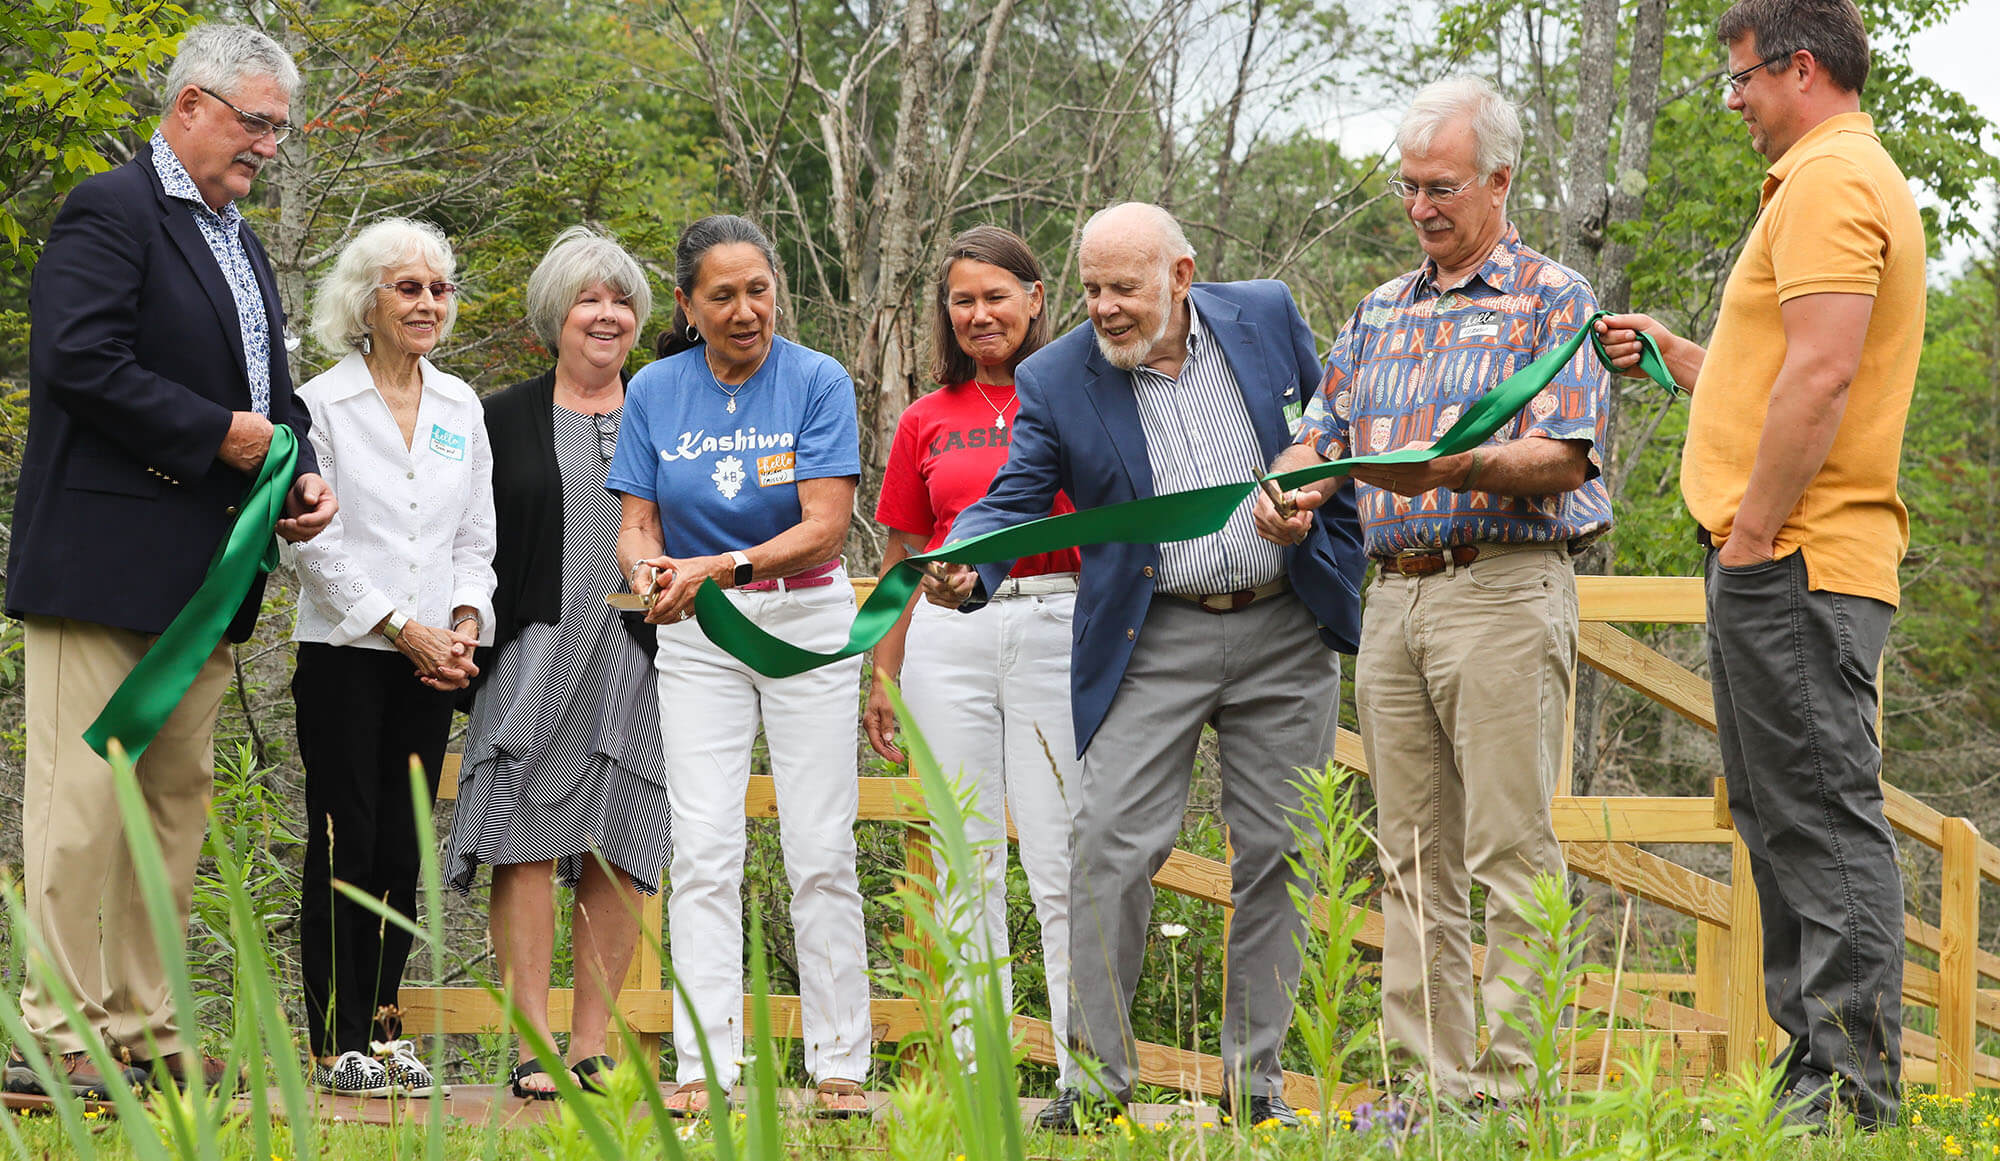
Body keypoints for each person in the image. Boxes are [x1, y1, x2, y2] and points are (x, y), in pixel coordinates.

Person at [932, 202, 1366, 1132]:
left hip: (1283, 625)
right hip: (1151, 633)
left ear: (1180, 273)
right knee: (1107, 850)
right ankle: (1094, 1089)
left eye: (1123, 287)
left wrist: (1315, 502)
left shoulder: (1266, 314)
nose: (1104, 308)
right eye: (1090, 289)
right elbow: (1014, 493)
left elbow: (1333, 425)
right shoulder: (1058, 375)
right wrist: (969, 556)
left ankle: (1255, 1085)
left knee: (1280, 852)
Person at [1594, 0, 1919, 1129]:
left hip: (1792, 558)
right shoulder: (1821, 181)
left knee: (1820, 821)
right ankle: (1813, 1080)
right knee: (1781, 817)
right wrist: (1691, 361)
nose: (1730, 101)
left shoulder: (1830, 180)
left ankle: (1847, 1099)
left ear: (1797, 68)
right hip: (1784, 554)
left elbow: (1821, 380)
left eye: (1738, 80)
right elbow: (1785, 366)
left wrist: (1747, 536)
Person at [1255, 77, 1611, 1107]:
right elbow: (1320, 436)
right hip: (1394, 597)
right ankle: (1425, 1084)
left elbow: (1567, 454)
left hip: (1500, 587)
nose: (1420, 207)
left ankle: (1510, 1087)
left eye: (1441, 186)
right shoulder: (1376, 312)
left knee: (1506, 842)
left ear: (1498, 181)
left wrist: (1457, 468)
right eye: (1407, 187)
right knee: (1409, 854)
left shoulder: (1553, 296)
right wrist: (1287, 491)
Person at [3, 22, 337, 1100]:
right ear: (190, 102)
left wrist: (299, 471)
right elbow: (79, 360)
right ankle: (58, 1039)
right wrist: (218, 438)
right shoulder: (113, 210)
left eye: (278, 130)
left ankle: (145, 1032)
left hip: (206, 583)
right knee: (81, 808)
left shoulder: (238, 241)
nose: (268, 148)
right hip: (102, 570)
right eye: (255, 123)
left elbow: (272, 399)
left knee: (168, 810)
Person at [608, 214, 872, 1118]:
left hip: (802, 620)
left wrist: (722, 566)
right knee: (706, 847)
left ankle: (841, 1061)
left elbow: (826, 524)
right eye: (723, 294)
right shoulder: (654, 390)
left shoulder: (817, 380)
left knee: (820, 844)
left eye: (758, 288)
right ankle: (703, 1064)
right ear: (686, 304)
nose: (746, 309)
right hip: (695, 636)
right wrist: (646, 569)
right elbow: (638, 522)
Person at [449, 225, 670, 1100]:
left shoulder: (664, 409)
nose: (607, 314)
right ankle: (535, 1038)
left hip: (640, 653)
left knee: (621, 840)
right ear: (554, 315)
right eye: (589, 298)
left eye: (621, 300)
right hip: (534, 644)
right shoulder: (495, 416)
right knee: (526, 840)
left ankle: (592, 1041)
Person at [863, 225, 1081, 1084]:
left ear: (1034, 297)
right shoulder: (925, 417)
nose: (981, 314)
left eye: (997, 295)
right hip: (945, 639)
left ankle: (1083, 1073)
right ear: (945, 313)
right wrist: (884, 673)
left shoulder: (1080, 395)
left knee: (1059, 853)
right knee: (966, 853)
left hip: (1057, 623)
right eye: (963, 300)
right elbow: (899, 556)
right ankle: (974, 1066)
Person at [290, 218, 497, 1098]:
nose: (427, 303)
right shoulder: (319, 404)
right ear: (364, 301)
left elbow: (476, 536)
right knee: (349, 836)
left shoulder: (461, 406)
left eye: (439, 289)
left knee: (404, 848)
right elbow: (313, 543)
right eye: (407, 288)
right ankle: (335, 1043)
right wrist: (398, 625)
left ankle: (382, 1030)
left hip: (430, 659)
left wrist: (460, 624)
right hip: (345, 652)